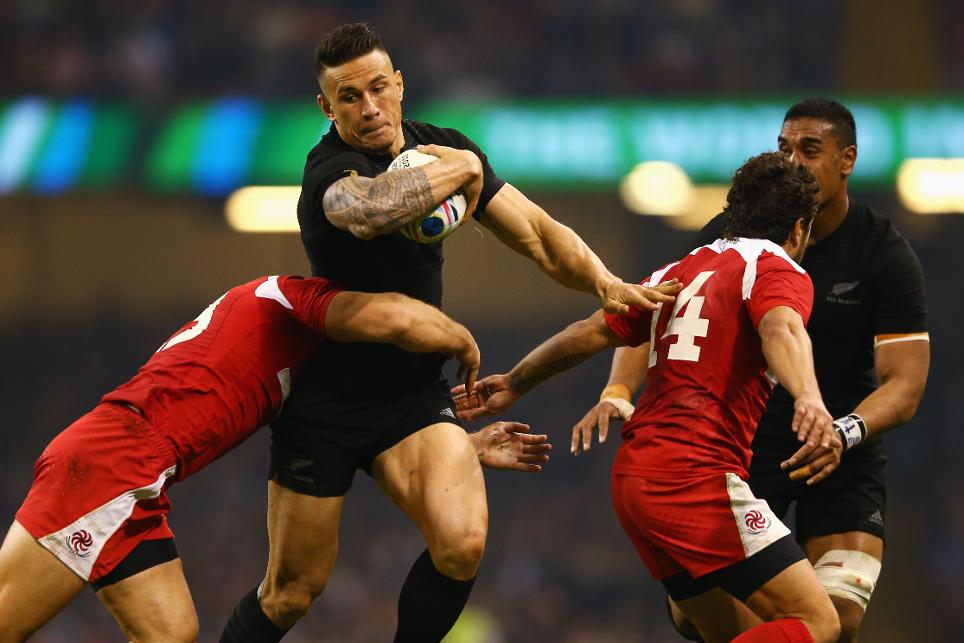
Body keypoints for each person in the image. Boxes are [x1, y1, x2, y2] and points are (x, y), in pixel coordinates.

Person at [219, 22, 679, 643]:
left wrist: (605, 282)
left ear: (400, 84)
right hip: (326, 403)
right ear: (327, 108)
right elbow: (371, 211)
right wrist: (463, 167)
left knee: (462, 542)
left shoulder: (441, 146)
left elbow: (538, 234)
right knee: (292, 593)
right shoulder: (331, 170)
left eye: (378, 88)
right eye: (349, 97)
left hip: (411, 396)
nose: (369, 107)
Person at [0, 275, 551, 642]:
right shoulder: (293, 299)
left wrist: (457, 444)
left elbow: (364, 441)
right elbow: (394, 320)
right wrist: (459, 337)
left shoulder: (305, 365)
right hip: (109, 465)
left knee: (173, 632)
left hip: (141, 483)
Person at [577, 99, 930, 643]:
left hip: (840, 451)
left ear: (847, 160)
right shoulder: (730, 233)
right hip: (746, 448)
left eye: (809, 150)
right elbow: (658, 306)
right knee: (704, 621)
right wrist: (619, 387)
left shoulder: (883, 253)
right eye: (784, 149)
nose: (793, 162)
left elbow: (904, 385)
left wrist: (843, 431)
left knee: (838, 619)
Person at [456, 152, 846, 642]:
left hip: (635, 479)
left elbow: (589, 332)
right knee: (819, 623)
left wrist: (516, 382)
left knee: (737, 632)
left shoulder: (679, 269)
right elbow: (781, 327)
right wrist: (808, 396)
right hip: (695, 477)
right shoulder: (777, 268)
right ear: (799, 229)